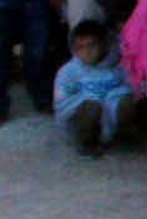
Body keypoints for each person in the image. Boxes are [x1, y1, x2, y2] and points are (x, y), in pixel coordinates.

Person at [52, 18, 138, 157]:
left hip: (110, 111)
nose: (87, 51)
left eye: (92, 45)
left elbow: (133, 87)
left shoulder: (117, 66)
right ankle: (86, 142)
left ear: (103, 45)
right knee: (92, 106)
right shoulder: (68, 71)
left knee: (128, 102)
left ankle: (121, 136)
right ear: (74, 49)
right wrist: (91, 101)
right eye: (81, 47)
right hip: (84, 118)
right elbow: (62, 106)